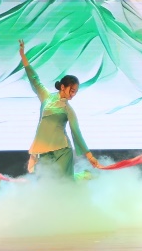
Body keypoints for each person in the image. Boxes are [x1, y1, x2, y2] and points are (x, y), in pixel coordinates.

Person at [18, 39, 98, 177]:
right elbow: (34, 78)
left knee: (64, 183)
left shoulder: (68, 109)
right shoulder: (46, 97)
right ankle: (83, 176)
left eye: (75, 92)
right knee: (46, 182)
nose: (73, 94)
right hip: (44, 150)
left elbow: (76, 132)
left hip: (62, 151)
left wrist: (89, 156)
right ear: (62, 87)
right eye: (71, 90)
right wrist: (23, 56)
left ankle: (83, 177)